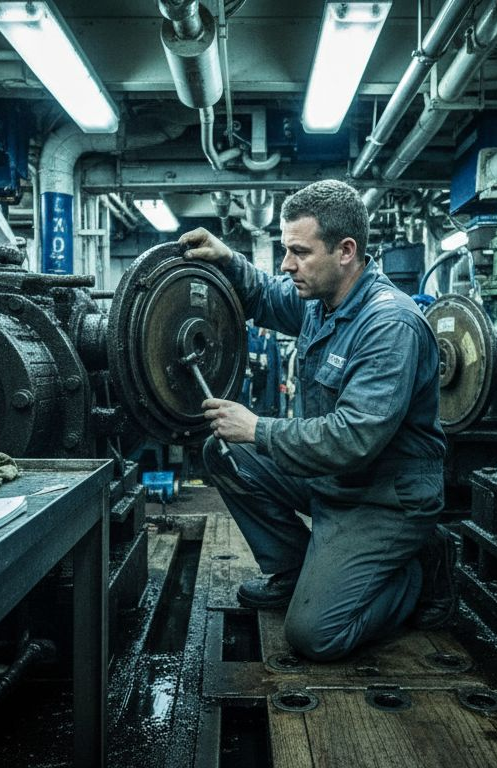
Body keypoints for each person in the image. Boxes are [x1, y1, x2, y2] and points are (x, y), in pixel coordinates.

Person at [179, 179, 453, 662]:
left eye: (300, 252)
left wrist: (259, 429)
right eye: (287, 250)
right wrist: (227, 259)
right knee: (225, 452)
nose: (287, 264)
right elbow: (265, 295)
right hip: (333, 478)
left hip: (384, 498)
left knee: (315, 635)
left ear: (345, 251)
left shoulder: (389, 325)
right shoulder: (320, 302)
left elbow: (355, 437)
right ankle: (292, 570)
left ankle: (417, 573)